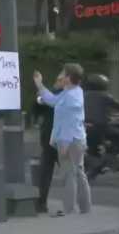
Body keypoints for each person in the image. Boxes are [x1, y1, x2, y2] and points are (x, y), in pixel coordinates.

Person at [34, 64, 92, 216]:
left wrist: (64, 143)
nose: (60, 76)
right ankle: (85, 208)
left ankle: (70, 210)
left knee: (69, 175)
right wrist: (39, 84)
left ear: (68, 78)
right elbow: (52, 100)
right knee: (79, 173)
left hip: (70, 140)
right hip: (77, 139)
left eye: (62, 73)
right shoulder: (73, 92)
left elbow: (68, 121)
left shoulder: (70, 97)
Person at [33, 75, 62, 213]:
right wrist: (39, 100)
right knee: (45, 171)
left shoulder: (68, 94)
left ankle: (79, 201)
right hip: (49, 139)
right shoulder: (52, 93)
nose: (57, 82)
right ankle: (41, 202)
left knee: (72, 172)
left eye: (60, 79)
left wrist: (40, 86)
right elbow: (37, 109)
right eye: (57, 79)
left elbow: (52, 101)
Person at [84, 74, 119, 156]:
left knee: (92, 146)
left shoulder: (83, 95)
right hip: (100, 125)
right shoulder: (105, 96)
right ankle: (113, 155)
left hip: (84, 126)